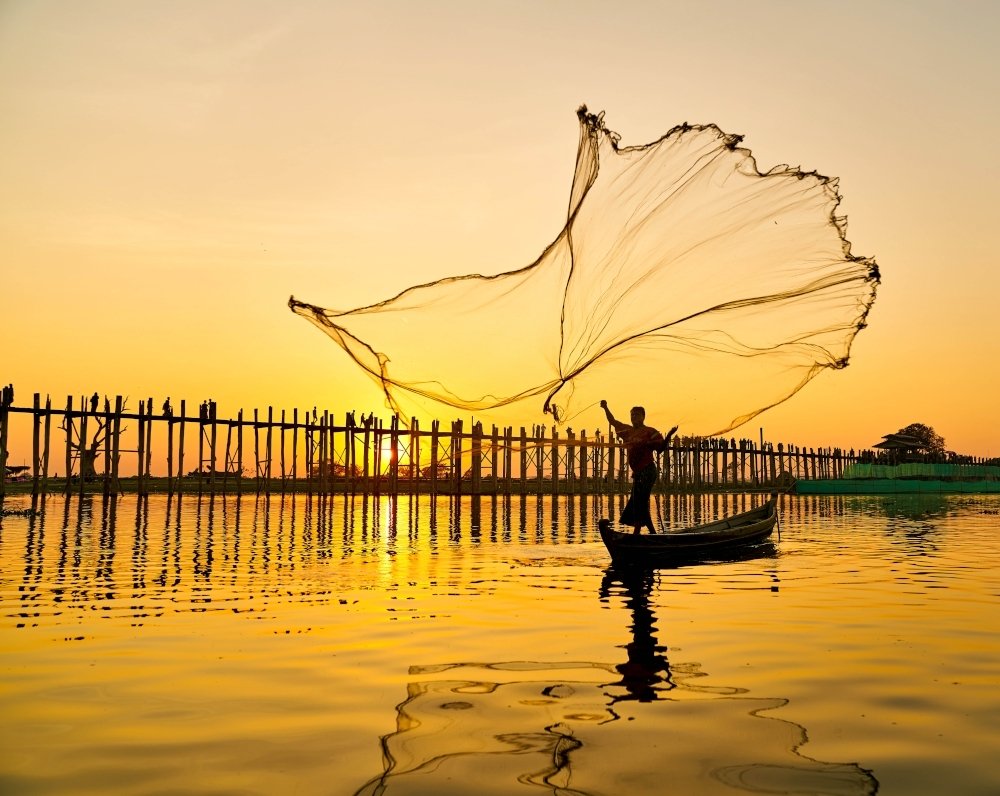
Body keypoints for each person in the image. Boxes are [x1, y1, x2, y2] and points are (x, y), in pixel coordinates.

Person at [600, 400, 678, 534]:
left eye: (636, 415)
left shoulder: (650, 432)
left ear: (643, 416)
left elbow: (660, 449)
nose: (633, 417)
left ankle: (637, 533)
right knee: (638, 501)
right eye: (632, 415)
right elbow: (613, 421)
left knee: (639, 501)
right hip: (638, 474)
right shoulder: (627, 431)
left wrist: (669, 435)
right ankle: (652, 533)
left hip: (648, 471)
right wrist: (605, 407)